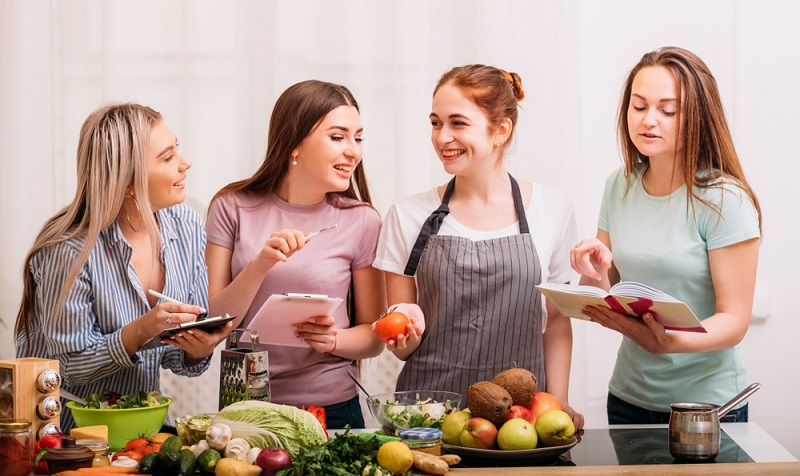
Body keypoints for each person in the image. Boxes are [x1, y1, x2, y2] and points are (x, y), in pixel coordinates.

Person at [374, 64, 584, 429]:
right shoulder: (407, 214)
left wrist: (558, 404)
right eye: (436, 123)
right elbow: (402, 342)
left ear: (501, 130)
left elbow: (555, 322)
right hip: (428, 415)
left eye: (457, 123)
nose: (442, 137)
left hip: (520, 419)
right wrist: (403, 335)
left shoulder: (552, 209)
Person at [570, 47, 762, 424]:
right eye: (639, 107)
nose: (648, 121)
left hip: (708, 408)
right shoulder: (619, 185)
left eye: (668, 110)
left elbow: (734, 320)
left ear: (697, 117)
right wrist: (591, 267)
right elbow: (609, 287)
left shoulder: (725, 199)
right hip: (628, 398)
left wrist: (671, 343)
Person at [15, 103, 231, 431]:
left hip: (145, 429)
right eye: (167, 157)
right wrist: (142, 329)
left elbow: (178, 360)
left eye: (178, 150)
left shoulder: (187, 225)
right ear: (129, 184)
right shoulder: (68, 250)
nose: (185, 164)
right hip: (69, 437)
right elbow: (66, 369)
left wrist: (198, 350)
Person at [205, 80, 386, 429]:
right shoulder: (232, 207)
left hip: (332, 411)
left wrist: (335, 339)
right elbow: (214, 320)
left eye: (357, 137)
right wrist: (260, 265)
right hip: (247, 410)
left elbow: (373, 335)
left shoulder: (362, 220)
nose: (353, 151)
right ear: (295, 144)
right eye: (338, 137)